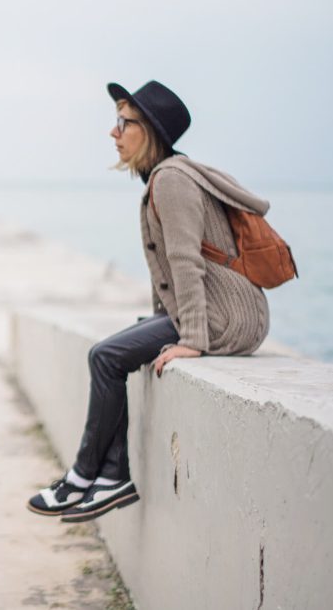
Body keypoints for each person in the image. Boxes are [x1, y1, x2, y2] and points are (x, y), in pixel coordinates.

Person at [26, 80, 272, 523]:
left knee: (105, 356)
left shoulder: (171, 180)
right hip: (224, 312)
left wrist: (192, 340)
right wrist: (160, 322)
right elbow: (168, 274)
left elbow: (185, 262)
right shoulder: (168, 176)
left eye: (124, 123)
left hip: (223, 317)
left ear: (151, 132)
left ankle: (85, 476)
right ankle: (109, 476)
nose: (114, 132)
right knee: (122, 346)